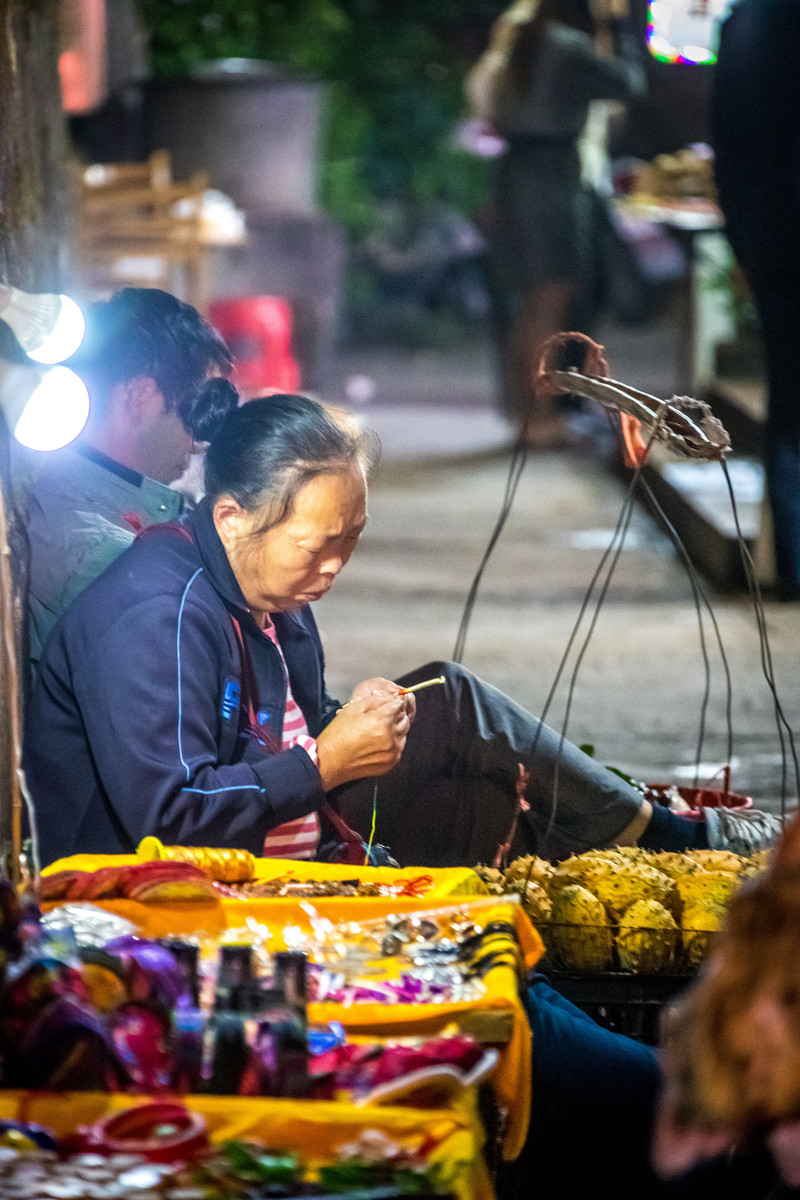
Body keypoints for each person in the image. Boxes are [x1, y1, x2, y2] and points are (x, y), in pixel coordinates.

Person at [22, 393, 783, 870]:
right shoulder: (158, 616)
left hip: (283, 836)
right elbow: (170, 820)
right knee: (456, 713)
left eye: (351, 541)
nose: (334, 567)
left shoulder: (270, 587)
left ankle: (649, 865)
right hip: (149, 898)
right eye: (316, 545)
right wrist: (324, 761)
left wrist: (354, 726)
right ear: (231, 517)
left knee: (461, 748)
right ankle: (677, 845)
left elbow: (287, 725)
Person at [25, 286, 239, 667]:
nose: (199, 443)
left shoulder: (110, 507)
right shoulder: (107, 555)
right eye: (197, 412)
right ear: (140, 398)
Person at [476, 0, 645, 445]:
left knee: (530, 302)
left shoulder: (520, 36)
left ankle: (526, 414)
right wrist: (618, 27)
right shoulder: (565, 45)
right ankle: (542, 418)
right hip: (551, 176)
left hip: (517, 170)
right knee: (549, 300)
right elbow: (629, 83)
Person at [711, 0, 800, 601]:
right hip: (778, 245)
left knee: (790, 406)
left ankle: (795, 562)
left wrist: (745, 242)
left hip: (779, 243)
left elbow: (732, 145)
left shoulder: (750, 23)